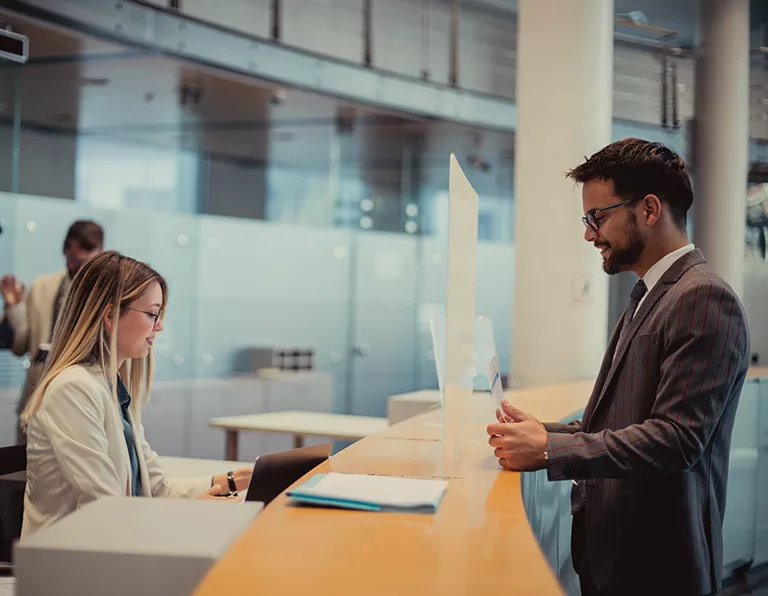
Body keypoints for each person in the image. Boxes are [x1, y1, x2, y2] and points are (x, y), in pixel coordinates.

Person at [486, 139, 750, 596]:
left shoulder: (704, 298)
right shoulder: (651, 293)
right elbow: (618, 422)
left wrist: (550, 449)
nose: (590, 234)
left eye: (598, 217)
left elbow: (677, 440)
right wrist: (545, 432)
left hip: (659, 566)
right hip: (617, 559)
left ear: (649, 209)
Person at [19, 251, 253, 537]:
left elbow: (156, 490)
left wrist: (236, 480)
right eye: (153, 314)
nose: (160, 326)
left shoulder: (110, 386)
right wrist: (191, 514)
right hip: (76, 568)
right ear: (109, 315)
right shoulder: (73, 389)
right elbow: (107, 509)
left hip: (113, 552)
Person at [1, 220, 105, 444]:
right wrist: (15, 307)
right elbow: (21, 346)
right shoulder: (42, 286)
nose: (79, 268)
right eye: (75, 260)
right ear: (66, 250)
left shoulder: (104, 295)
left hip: (81, 399)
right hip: (35, 398)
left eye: (88, 262)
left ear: (100, 255)